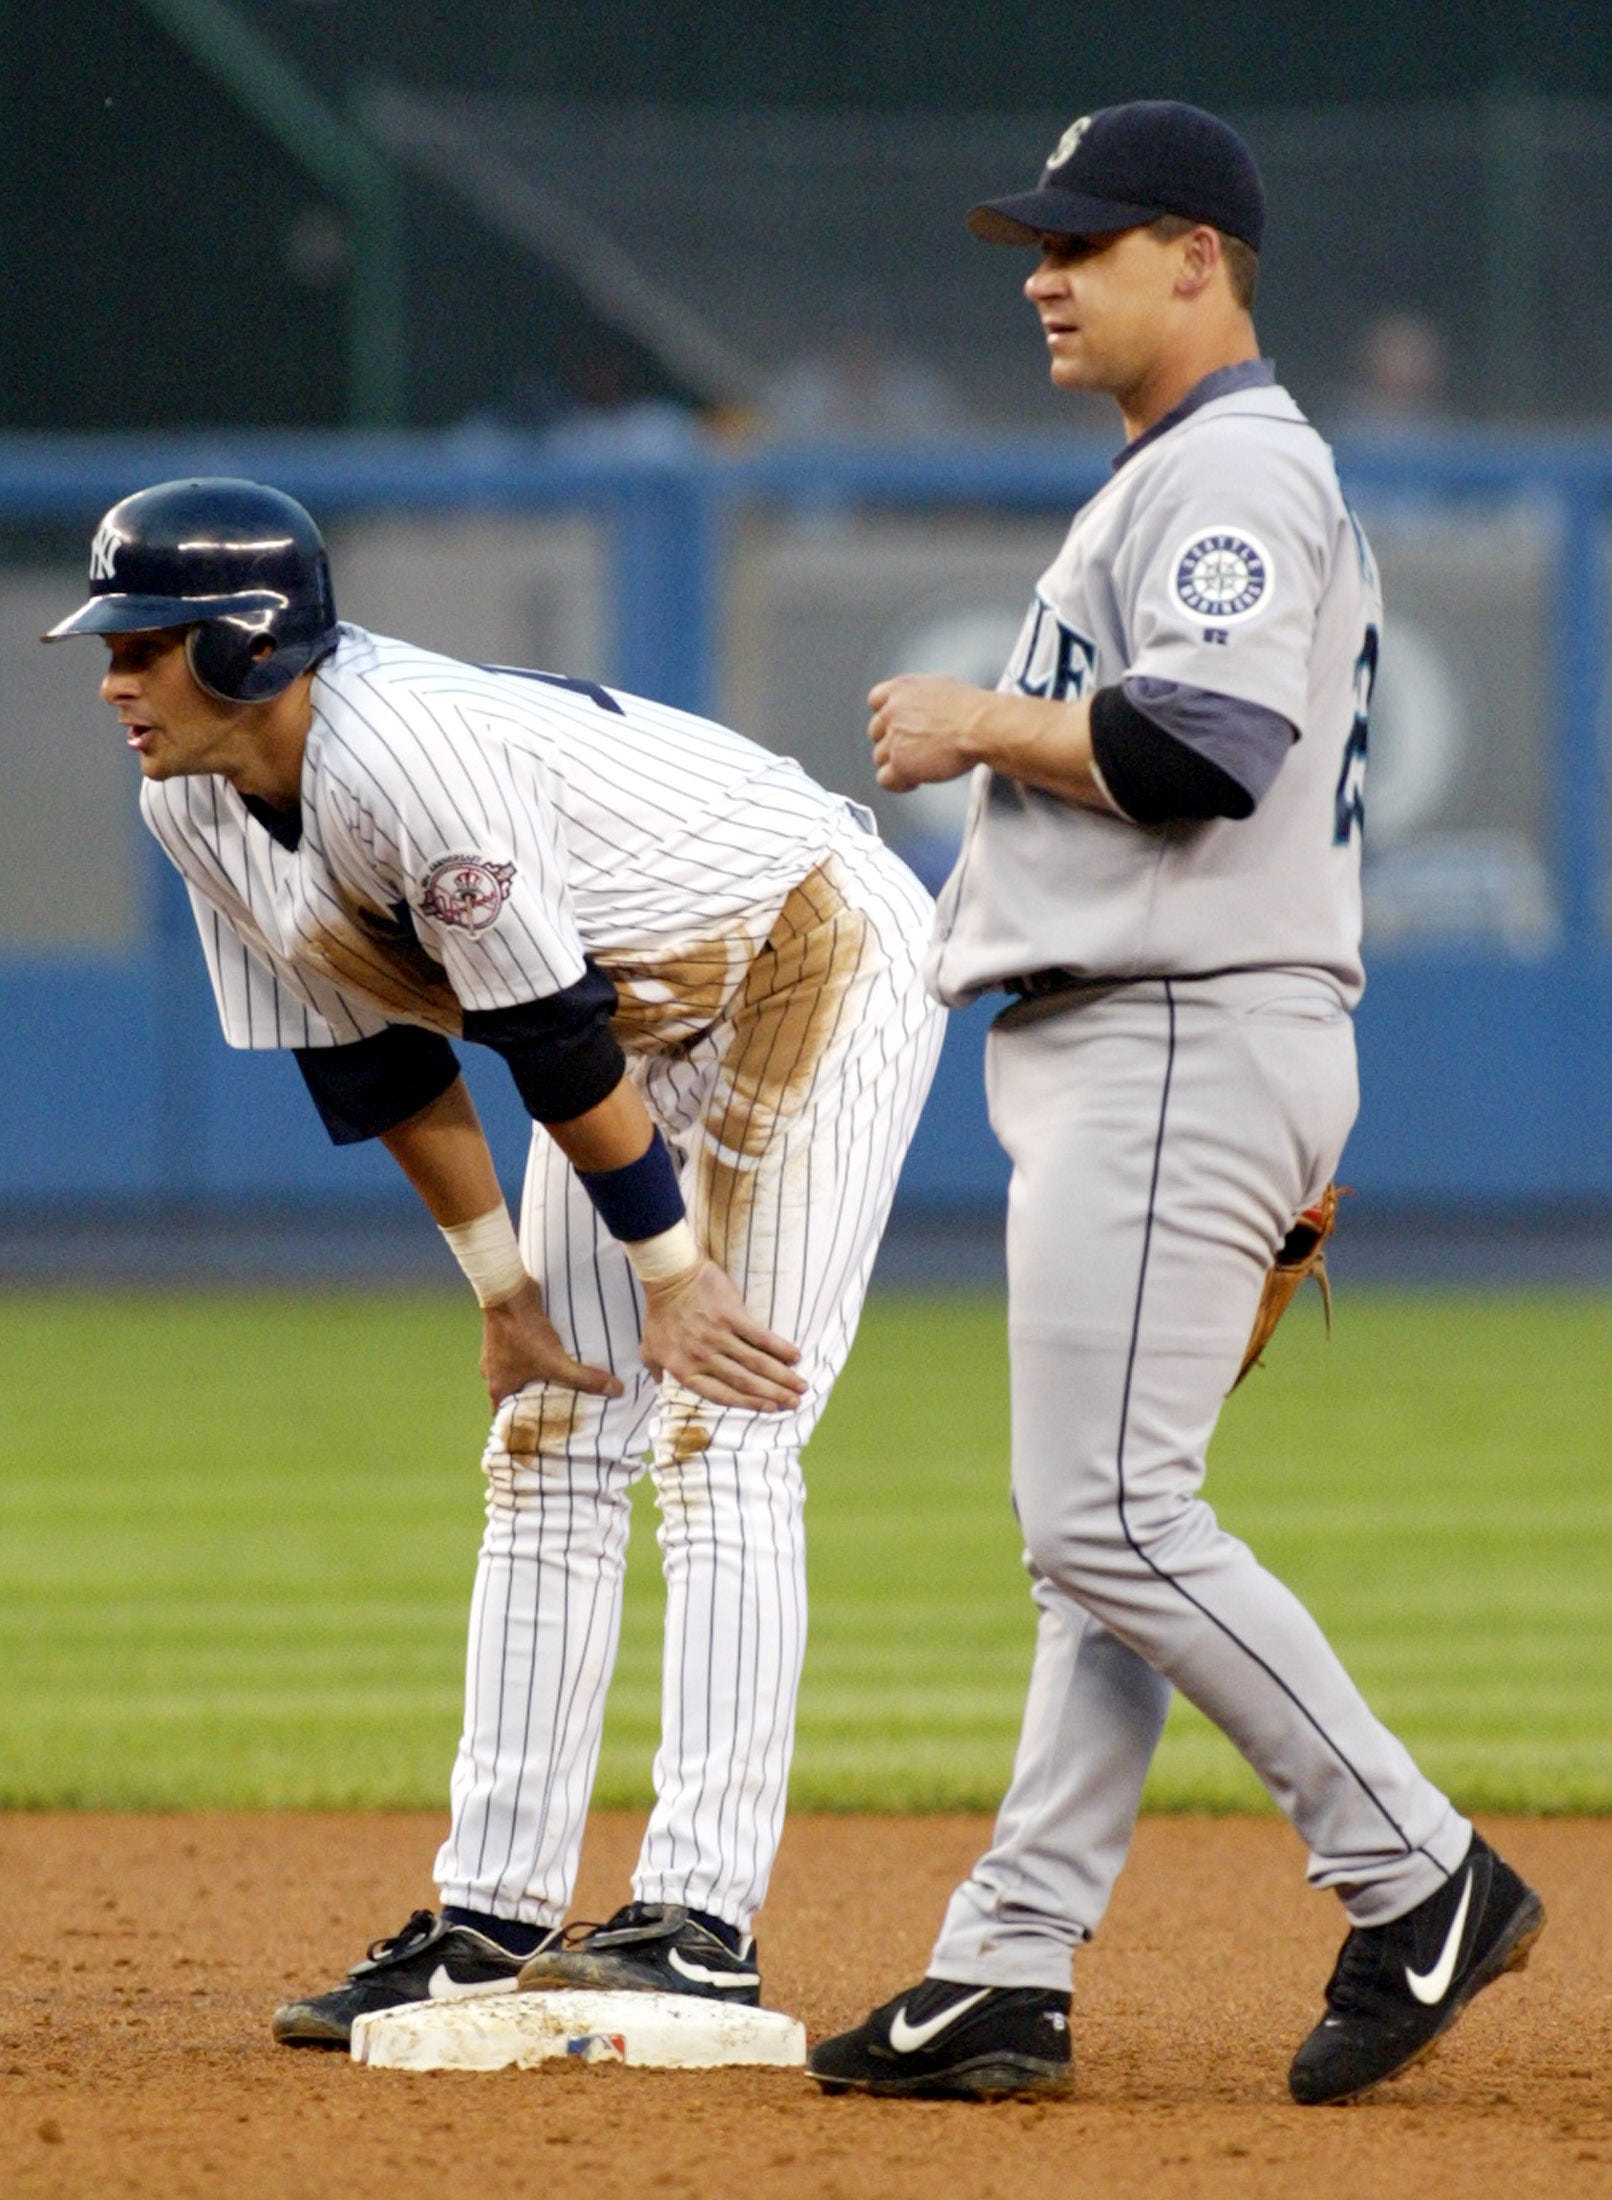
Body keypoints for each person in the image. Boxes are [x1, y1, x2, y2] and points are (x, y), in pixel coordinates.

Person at [807, 101, 1543, 2108]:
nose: (1041, 273)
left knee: (1111, 1517)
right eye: (1035, 244)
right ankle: (1005, 1964)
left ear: (1196, 259)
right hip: (1182, 1033)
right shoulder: (1190, 475)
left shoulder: (1227, 470)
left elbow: (1204, 747)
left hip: (1167, 1032)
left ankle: (1413, 1870)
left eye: (1086, 240)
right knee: (1102, 1539)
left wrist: (976, 719)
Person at [45, 478, 944, 2042]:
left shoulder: (411, 760)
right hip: (622, 1028)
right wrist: (504, 1293)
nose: (116, 678)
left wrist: (675, 1275)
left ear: (251, 648)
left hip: (805, 951)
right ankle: (492, 1916)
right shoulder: (190, 803)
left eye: (147, 643)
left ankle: (701, 1918)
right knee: (546, 1438)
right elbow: (379, 1063)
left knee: (724, 1425)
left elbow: (544, 1032)